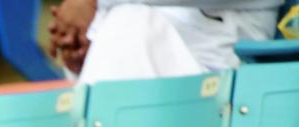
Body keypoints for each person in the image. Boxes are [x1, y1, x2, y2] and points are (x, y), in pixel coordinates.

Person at [49, 0, 283, 83]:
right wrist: (82, 41)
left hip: (217, 88)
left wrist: (93, 2)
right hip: (144, 91)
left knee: (130, 21)